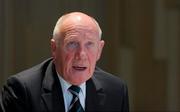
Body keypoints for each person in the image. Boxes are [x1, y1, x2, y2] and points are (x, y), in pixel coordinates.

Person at [0, 12, 129, 112]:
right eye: (72, 44)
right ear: (54, 48)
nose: (81, 55)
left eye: (89, 44)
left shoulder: (116, 91)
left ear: (99, 50)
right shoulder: (22, 90)